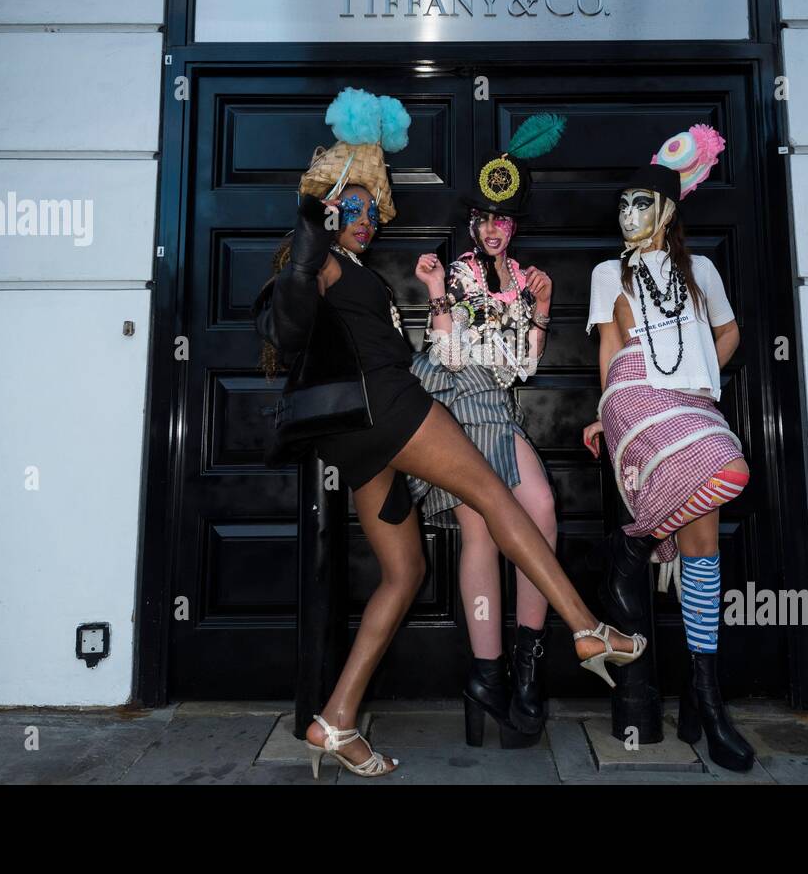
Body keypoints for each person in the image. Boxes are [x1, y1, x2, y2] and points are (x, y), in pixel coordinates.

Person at [255, 88, 645, 779]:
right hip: (388, 405)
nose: (367, 217)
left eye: (374, 207)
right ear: (326, 201)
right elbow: (285, 330)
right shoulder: (316, 263)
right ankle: (585, 627)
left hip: (363, 434)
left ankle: (335, 718)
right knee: (497, 495)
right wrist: (308, 243)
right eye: (355, 204)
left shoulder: (355, 269)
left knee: (405, 571)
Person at [581, 123, 756, 772]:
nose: (630, 214)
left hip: (688, 402)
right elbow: (607, 347)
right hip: (633, 395)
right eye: (624, 204)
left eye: (641, 203)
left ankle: (702, 700)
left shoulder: (701, 267)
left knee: (701, 540)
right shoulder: (609, 271)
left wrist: (702, 378)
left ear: (668, 210)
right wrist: (605, 413)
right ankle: (706, 706)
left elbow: (729, 331)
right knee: (724, 463)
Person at [408, 114, 565, 747]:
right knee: (477, 528)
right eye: (485, 218)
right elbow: (448, 360)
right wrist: (437, 295)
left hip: (497, 410)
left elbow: (521, 367)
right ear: (471, 221)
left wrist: (545, 311)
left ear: (513, 224)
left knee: (542, 511)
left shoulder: (525, 282)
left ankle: (525, 669)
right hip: (458, 408)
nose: (495, 229)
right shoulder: (457, 274)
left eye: (504, 219)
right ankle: (488, 673)